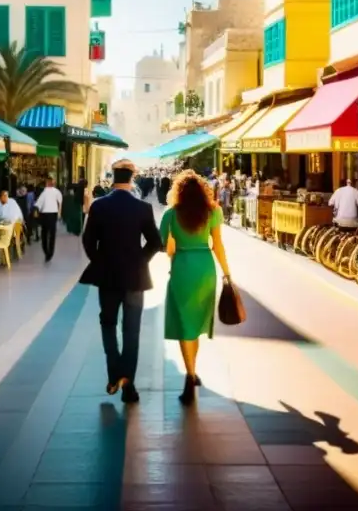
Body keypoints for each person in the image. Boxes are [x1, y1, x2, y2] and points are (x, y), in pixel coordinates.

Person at [80, 159, 162, 403]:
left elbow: (88, 241)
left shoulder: (99, 206)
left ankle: (113, 373)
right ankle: (129, 385)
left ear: (114, 178)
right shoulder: (142, 208)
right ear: (132, 178)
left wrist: (100, 261)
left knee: (107, 323)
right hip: (135, 278)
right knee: (132, 330)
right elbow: (155, 242)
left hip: (107, 277)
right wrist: (140, 260)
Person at [160, 170, 232, 405]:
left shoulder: (170, 214)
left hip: (182, 268)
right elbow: (218, 245)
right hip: (205, 270)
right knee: (195, 324)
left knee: (184, 326)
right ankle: (193, 372)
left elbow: (166, 247)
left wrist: (175, 249)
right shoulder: (213, 212)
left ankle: (189, 375)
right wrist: (227, 274)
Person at [35, 177, 63, 261]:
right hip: (53, 214)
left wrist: (36, 211)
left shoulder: (44, 192)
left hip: (45, 214)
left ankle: (46, 251)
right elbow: (60, 202)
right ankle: (50, 253)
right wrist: (59, 213)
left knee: (44, 233)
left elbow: (38, 204)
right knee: (52, 234)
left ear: (47, 183)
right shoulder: (57, 192)